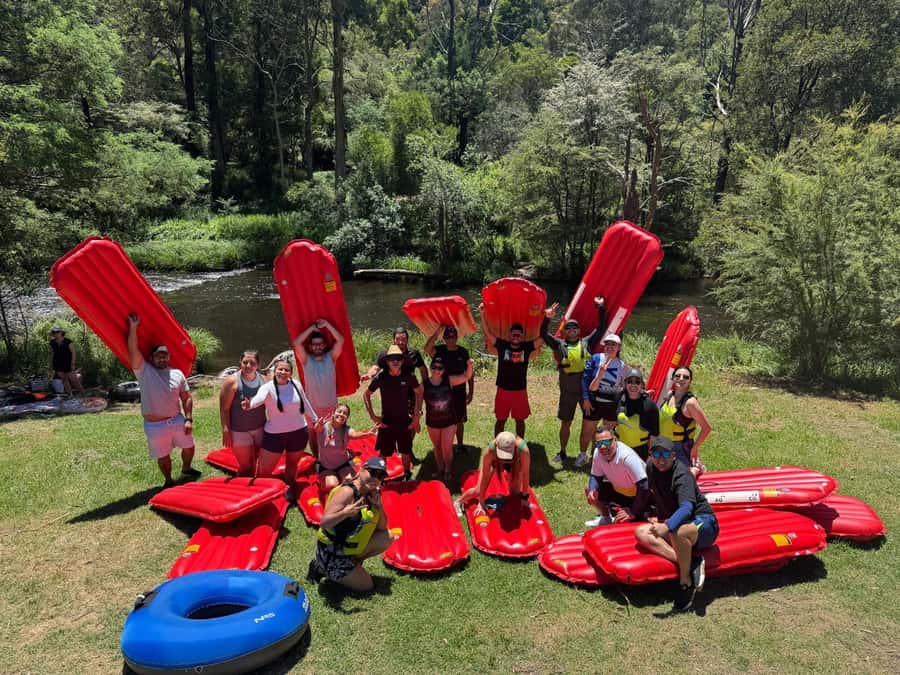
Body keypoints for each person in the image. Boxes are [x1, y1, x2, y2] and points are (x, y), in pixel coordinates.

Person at [634, 437, 719, 613]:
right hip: (677, 523)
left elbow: (687, 508)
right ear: (651, 456)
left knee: (677, 532)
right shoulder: (651, 468)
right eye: (656, 454)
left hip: (704, 522)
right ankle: (692, 562)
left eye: (665, 454)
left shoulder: (682, 475)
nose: (661, 458)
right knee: (641, 532)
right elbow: (658, 495)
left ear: (673, 455)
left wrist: (667, 525)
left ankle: (685, 582)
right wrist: (658, 517)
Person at [127, 313, 199, 487]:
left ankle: (186, 468)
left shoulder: (178, 373)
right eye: (158, 355)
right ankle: (168, 480)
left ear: (169, 357)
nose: (162, 358)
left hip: (176, 419)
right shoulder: (143, 371)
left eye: (164, 355)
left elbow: (186, 397)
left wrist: (188, 419)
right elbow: (133, 349)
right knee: (163, 455)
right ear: (151, 358)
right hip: (155, 425)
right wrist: (133, 327)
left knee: (189, 447)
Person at [308, 456, 398, 592]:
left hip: (349, 547)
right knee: (366, 586)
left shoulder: (372, 494)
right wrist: (345, 512)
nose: (375, 479)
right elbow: (325, 523)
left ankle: (352, 564)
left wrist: (379, 507)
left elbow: (382, 528)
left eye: (380, 476)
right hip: (333, 552)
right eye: (372, 473)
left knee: (387, 536)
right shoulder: (347, 492)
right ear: (361, 470)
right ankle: (320, 566)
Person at [540, 297, 607, 466]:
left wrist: (600, 307)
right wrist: (547, 318)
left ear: (579, 330)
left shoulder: (586, 342)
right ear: (565, 331)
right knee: (566, 423)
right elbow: (543, 334)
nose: (571, 330)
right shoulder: (559, 344)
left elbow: (601, 328)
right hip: (568, 391)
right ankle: (562, 452)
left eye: (574, 327)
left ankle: (591, 453)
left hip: (586, 390)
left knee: (590, 423)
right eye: (568, 328)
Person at [241, 358, 318, 497]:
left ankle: (289, 488)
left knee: (292, 464)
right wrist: (249, 405)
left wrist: (315, 420)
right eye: (280, 369)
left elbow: (305, 404)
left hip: (299, 432)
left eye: (286, 370)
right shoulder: (267, 387)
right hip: (274, 435)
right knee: (264, 471)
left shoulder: (296, 384)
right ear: (274, 371)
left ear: (290, 373)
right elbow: (258, 399)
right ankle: (264, 494)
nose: (283, 372)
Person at [478, 304, 543, 438]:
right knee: (500, 420)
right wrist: (482, 314)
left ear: (522, 336)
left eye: (519, 335)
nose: (516, 337)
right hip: (503, 389)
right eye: (514, 334)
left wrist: (547, 318)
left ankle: (520, 446)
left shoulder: (527, 347)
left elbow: (543, 338)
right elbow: (487, 333)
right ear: (510, 334)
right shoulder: (502, 345)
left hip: (520, 390)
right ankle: (497, 444)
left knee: (520, 421)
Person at [363, 345, 423, 481]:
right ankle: (380, 476)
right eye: (391, 359)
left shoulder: (409, 376)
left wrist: (416, 415)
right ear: (387, 362)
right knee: (384, 452)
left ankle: (407, 474)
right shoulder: (381, 377)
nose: (395, 362)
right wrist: (373, 416)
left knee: (406, 450)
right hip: (386, 421)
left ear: (402, 361)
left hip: (404, 419)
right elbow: (366, 394)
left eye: (398, 359)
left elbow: (419, 392)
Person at [293, 319, 345, 453]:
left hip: (330, 405)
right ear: (310, 347)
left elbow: (340, 340)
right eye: (314, 345)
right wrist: (312, 328)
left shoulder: (331, 357)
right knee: (313, 435)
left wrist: (327, 325)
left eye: (320, 344)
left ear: (325, 345)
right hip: (312, 406)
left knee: (331, 433)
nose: (317, 347)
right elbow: (297, 343)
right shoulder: (306, 359)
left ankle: (330, 458)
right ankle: (317, 459)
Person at [584, 425, 649, 527]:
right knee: (588, 488)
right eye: (599, 443)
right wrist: (593, 490)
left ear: (615, 440)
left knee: (624, 523)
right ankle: (606, 518)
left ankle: (644, 513)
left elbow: (644, 486)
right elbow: (595, 476)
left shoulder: (627, 457)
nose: (603, 447)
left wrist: (634, 511)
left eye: (606, 442)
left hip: (640, 495)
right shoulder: (598, 453)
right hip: (619, 491)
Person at [423, 354, 474, 480]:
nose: (436, 370)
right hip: (432, 421)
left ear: (443, 370)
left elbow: (466, 376)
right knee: (437, 446)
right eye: (434, 367)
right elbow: (415, 395)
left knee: (447, 447)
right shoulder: (424, 383)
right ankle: (440, 469)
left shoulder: (449, 380)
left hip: (449, 421)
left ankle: (448, 470)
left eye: (440, 368)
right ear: (430, 368)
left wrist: (469, 365)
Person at [424, 324, 475, 452]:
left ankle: (460, 445)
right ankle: (444, 445)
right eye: (447, 336)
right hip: (442, 392)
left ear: (457, 337)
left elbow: (469, 373)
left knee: (460, 418)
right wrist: (437, 332)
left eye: (453, 336)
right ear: (444, 337)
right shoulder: (439, 350)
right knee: (443, 418)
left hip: (459, 389)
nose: (450, 339)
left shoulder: (463, 352)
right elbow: (426, 349)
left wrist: (471, 392)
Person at [578, 334, 625, 467]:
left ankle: (600, 456)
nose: (610, 347)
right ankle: (582, 455)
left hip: (611, 404)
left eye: (613, 345)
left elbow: (624, 386)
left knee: (607, 434)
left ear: (618, 348)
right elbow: (585, 380)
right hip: (593, 402)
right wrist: (586, 399)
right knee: (586, 431)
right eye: (608, 344)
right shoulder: (595, 358)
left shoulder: (622, 365)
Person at [458, 431, 532, 515]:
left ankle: (497, 499)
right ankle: (458, 502)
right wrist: (481, 501)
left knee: (515, 494)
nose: (504, 459)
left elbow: (525, 474)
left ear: (514, 446)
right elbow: (485, 476)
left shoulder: (523, 450)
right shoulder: (490, 451)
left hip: (514, 463)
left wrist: (524, 497)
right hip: (494, 461)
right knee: (478, 491)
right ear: (497, 446)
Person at [218, 350, 267, 476]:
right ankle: (239, 491)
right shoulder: (232, 382)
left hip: (260, 428)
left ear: (258, 365)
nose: (248, 366)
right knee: (246, 466)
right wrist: (226, 429)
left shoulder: (265, 380)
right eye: (245, 362)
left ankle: (257, 490)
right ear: (240, 362)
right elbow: (224, 408)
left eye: (252, 363)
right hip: (239, 430)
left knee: (258, 464)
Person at [659, 366, 712, 475]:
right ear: (673, 378)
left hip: (680, 449)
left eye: (685, 377)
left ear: (690, 381)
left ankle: (696, 469)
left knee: (682, 482)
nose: (681, 379)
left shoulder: (690, 403)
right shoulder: (670, 395)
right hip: (664, 446)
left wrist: (694, 448)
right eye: (677, 376)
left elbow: (707, 428)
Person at [312, 403, 373, 491]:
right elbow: (317, 428)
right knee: (332, 485)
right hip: (326, 467)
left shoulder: (346, 430)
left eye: (345, 413)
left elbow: (355, 434)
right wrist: (318, 425)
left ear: (347, 418)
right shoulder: (324, 426)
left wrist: (367, 434)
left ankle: (342, 478)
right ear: (333, 412)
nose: (341, 414)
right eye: (339, 411)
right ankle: (336, 479)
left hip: (343, 464)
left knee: (353, 483)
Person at [615, 367, 660, 461]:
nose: (633, 385)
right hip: (619, 447)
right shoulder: (617, 398)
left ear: (642, 385)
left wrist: (650, 456)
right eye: (630, 381)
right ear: (625, 383)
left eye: (637, 382)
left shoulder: (650, 405)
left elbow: (654, 435)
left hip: (641, 450)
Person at [49, 326, 84, 397]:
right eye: (53, 332)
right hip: (57, 364)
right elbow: (51, 353)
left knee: (74, 380)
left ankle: (83, 394)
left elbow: (73, 352)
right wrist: (50, 364)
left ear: (61, 332)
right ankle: (70, 395)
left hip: (68, 364)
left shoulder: (68, 341)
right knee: (64, 380)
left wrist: (73, 364)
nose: (55, 333)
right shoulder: (52, 342)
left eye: (57, 332)